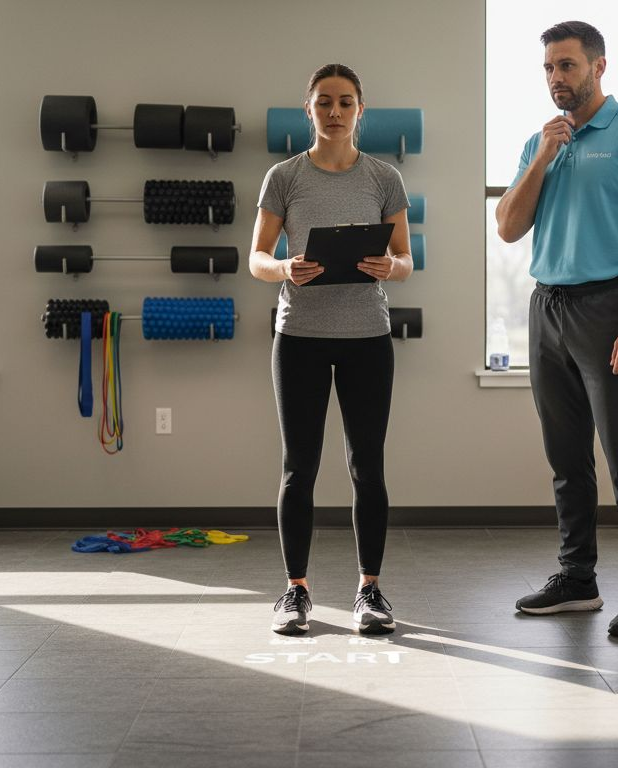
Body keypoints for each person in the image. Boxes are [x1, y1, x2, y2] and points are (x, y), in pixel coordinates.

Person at [495, 21, 618, 638]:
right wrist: (543, 156)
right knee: (565, 456)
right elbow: (508, 227)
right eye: (548, 68)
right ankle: (577, 578)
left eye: (567, 66)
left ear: (599, 67)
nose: (556, 79)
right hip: (546, 307)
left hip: (610, 310)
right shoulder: (539, 142)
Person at [248, 63, 414, 636]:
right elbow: (257, 259)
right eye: (325, 102)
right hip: (299, 341)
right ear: (309, 110)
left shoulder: (384, 178)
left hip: (368, 337)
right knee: (300, 468)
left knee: (368, 467)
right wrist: (285, 269)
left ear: (360, 110)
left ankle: (370, 592)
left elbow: (406, 260)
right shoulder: (284, 178)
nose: (335, 112)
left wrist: (389, 265)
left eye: (345, 102)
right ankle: (295, 593)